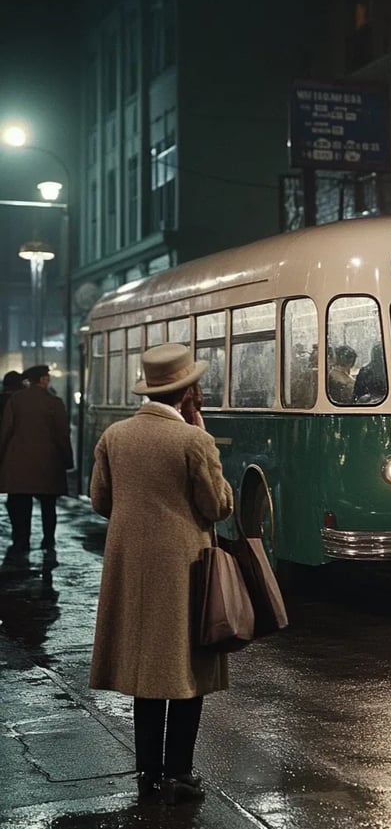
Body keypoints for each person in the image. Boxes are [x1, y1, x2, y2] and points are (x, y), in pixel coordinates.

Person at [88, 343, 234, 804]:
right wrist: (207, 444)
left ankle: (149, 771)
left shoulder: (115, 436)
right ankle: (179, 775)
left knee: (146, 670)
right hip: (182, 566)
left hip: (129, 565)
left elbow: (100, 502)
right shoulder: (194, 440)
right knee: (187, 670)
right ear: (187, 393)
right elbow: (218, 506)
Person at [0, 364, 73, 555]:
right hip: (49, 463)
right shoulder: (54, 402)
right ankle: (48, 540)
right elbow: (63, 433)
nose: (49, 379)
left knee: (19, 506)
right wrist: (67, 459)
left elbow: (6, 430)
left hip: (19, 462)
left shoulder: (16, 400)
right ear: (42, 380)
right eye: (47, 376)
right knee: (48, 506)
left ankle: (21, 541)